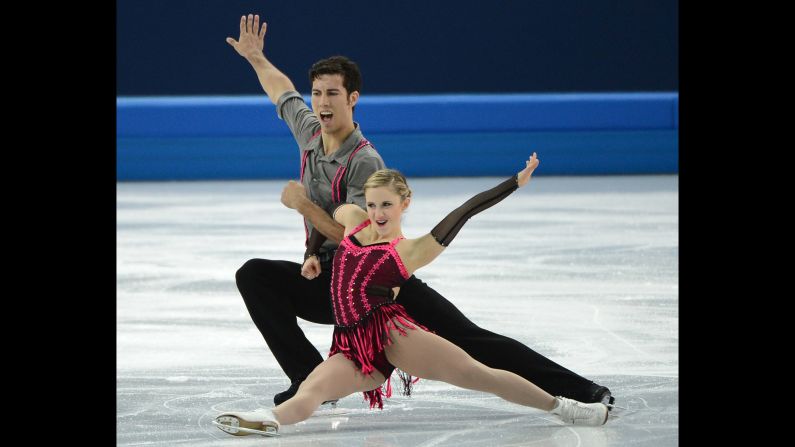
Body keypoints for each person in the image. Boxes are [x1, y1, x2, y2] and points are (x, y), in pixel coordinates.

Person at [225, 13, 613, 410]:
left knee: (470, 340)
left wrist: (303, 204)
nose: (321, 102)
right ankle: (309, 380)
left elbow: (360, 238)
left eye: (332, 94)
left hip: (377, 281)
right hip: (331, 281)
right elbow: (281, 91)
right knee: (256, 276)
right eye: (317, 93)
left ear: (352, 99)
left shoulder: (364, 161)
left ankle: (583, 391)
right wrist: (256, 58)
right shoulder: (309, 132)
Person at [214, 155, 610, 437]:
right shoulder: (354, 223)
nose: (378, 212)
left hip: (394, 335)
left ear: (405, 204)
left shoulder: (408, 250)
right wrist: (312, 254)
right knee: (313, 389)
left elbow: (464, 212)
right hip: (351, 344)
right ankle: (264, 418)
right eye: (372, 204)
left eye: (387, 204)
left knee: (478, 374)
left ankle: (565, 408)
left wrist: (513, 183)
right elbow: (326, 211)